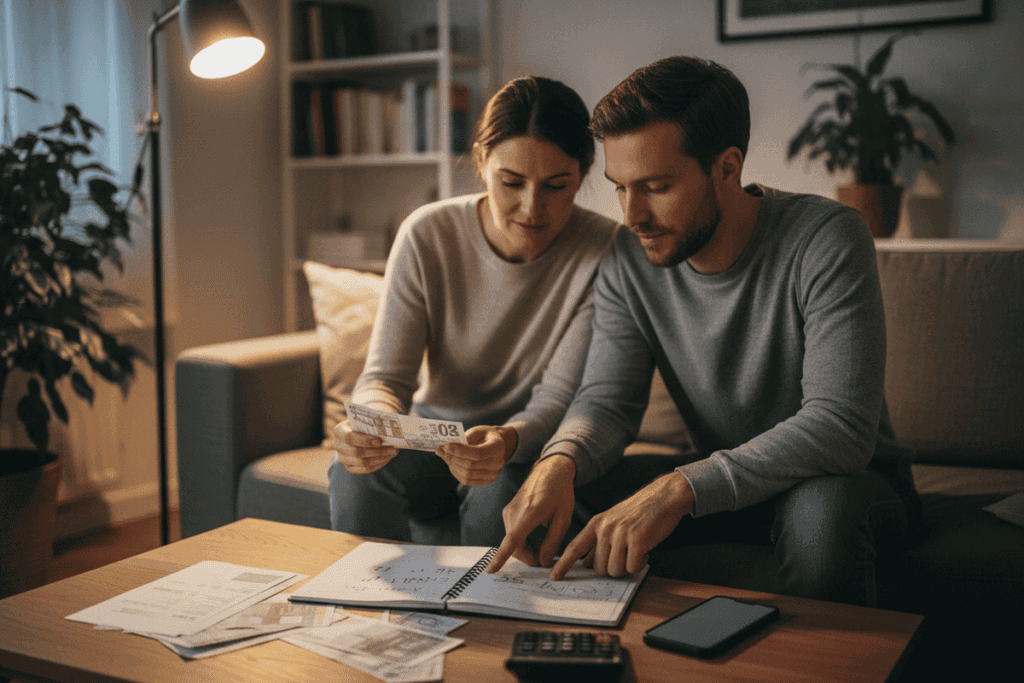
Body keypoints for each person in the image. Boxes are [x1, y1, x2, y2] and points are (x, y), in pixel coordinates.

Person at [488, 56, 922, 607]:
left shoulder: (827, 237)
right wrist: (559, 461)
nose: (632, 215)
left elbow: (840, 427)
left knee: (820, 515)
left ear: (727, 167)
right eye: (619, 188)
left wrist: (679, 489)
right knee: (529, 486)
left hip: (849, 483)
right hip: (727, 484)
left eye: (656, 186)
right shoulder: (628, 258)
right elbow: (607, 400)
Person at [328, 76, 619, 546]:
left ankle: (482, 617)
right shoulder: (428, 233)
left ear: (584, 172)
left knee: (501, 489)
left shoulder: (605, 251)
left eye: (556, 186)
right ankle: (361, 612)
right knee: (354, 472)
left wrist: (506, 441)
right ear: (482, 162)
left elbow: (556, 400)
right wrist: (371, 424)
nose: (531, 208)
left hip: (521, 445)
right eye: (511, 182)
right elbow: (385, 378)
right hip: (427, 438)